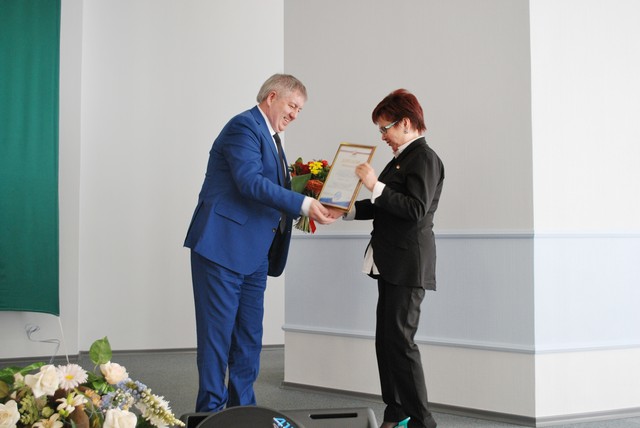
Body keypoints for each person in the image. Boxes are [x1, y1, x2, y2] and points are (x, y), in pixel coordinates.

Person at [184, 74, 337, 412]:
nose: (295, 114)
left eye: (300, 110)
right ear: (272, 97)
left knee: (249, 339)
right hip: (221, 248)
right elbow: (250, 182)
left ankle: (244, 412)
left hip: (254, 255)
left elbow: (271, 190)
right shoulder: (243, 127)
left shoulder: (273, 138)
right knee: (216, 339)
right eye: (292, 106)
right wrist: (304, 204)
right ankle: (211, 414)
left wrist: (316, 198)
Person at [329, 89, 444, 428]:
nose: (382, 136)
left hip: (409, 265)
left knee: (401, 343)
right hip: (391, 263)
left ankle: (422, 421)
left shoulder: (424, 158)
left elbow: (415, 208)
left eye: (385, 128)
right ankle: (396, 412)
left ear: (406, 122)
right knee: (387, 342)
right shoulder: (401, 160)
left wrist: (374, 185)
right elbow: (385, 204)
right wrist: (344, 210)